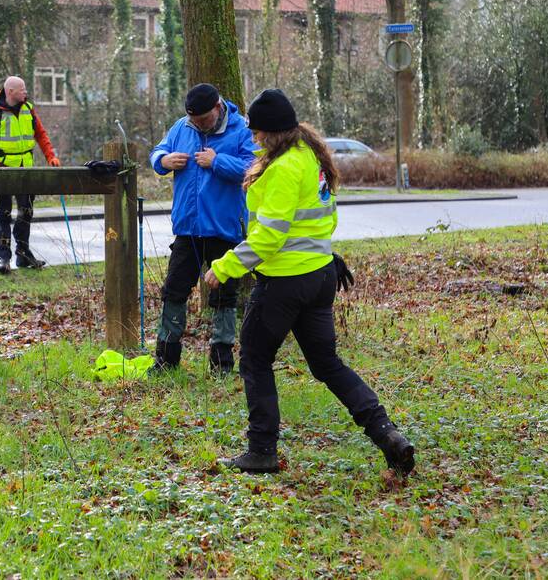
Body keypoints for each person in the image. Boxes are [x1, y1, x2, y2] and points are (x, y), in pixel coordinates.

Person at [204, 88, 415, 475]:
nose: (254, 138)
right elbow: (326, 220)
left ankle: (262, 450)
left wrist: (224, 267)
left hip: (285, 282)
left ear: (273, 132)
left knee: (254, 358)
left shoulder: (283, 169)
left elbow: (270, 236)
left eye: (258, 132)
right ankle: (387, 434)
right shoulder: (311, 158)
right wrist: (321, 255)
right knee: (327, 364)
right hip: (319, 275)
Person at [149, 83, 257, 374]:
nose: (198, 125)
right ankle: (166, 360)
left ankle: (221, 363)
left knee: (224, 297)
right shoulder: (181, 127)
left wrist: (217, 161)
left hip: (224, 229)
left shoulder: (241, 129)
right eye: (194, 121)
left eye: (203, 120)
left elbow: (253, 169)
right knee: (173, 291)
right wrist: (163, 160)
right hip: (187, 229)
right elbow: (157, 152)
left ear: (218, 107)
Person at [0, 75, 61, 273]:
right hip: (3, 170)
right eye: (22, 89)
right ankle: (4, 257)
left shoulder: (28, 109)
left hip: (26, 169)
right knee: (4, 214)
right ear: (10, 91)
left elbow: (41, 134)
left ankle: (23, 254)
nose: (26, 91)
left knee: (26, 212)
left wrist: (51, 157)